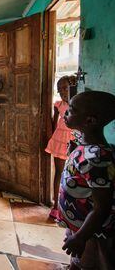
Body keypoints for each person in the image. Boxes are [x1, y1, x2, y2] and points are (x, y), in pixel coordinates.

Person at [57, 91, 115, 270]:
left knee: (92, 262)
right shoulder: (85, 147)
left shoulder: (97, 159)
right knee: (78, 258)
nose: (66, 112)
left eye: (72, 110)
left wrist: (81, 237)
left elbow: (101, 207)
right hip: (80, 224)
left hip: (93, 232)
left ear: (90, 121)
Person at [45, 76, 74, 219]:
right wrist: (50, 138)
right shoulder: (59, 105)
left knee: (73, 174)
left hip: (74, 141)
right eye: (59, 89)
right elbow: (53, 124)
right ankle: (56, 205)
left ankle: (70, 204)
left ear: (73, 86)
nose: (62, 91)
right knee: (59, 172)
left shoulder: (78, 104)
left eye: (65, 88)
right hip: (60, 140)